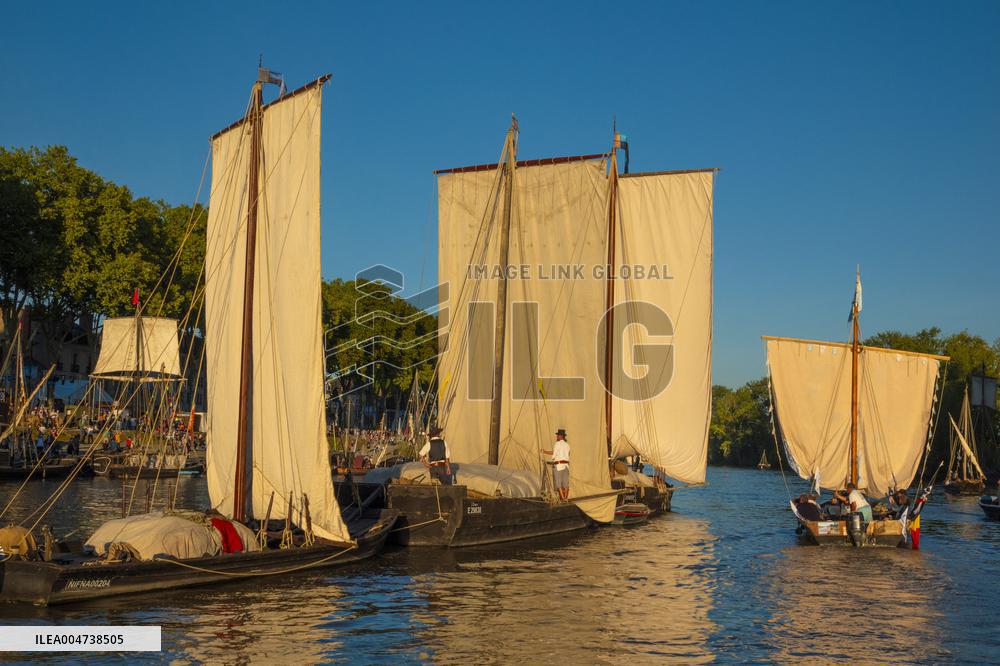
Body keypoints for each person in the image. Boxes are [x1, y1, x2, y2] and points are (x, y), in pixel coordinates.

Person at [543, 428, 571, 501]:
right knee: (566, 484)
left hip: (558, 466)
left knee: (558, 484)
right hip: (566, 466)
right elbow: (568, 454)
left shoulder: (557, 443)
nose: (557, 437)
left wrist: (544, 451)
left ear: (560, 436)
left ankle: (563, 499)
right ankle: (566, 498)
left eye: (558, 435)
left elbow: (554, 454)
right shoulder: (567, 445)